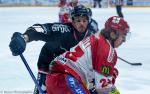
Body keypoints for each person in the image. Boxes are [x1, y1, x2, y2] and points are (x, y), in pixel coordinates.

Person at [9, 5, 98, 94]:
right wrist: (24, 37)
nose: (81, 23)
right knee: (43, 90)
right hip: (49, 59)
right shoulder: (63, 29)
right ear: (72, 21)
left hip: (71, 65)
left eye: (84, 20)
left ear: (89, 21)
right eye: (78, 20)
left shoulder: (92, 34)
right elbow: (43, 29)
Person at [46, 16, 130, 94]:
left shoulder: (97, 37)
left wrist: (111, 74)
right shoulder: (106, 49)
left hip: (55, 80)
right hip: (67, 81)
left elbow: (95, 83)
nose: (124, 40)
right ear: (113, 34)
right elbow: (103, 88)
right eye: (123, 36)